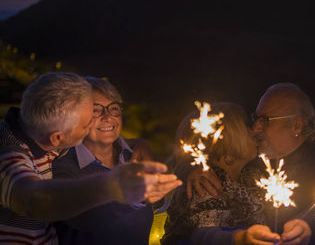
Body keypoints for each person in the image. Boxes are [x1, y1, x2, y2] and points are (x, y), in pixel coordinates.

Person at [0, 72, 182, 244]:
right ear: (57, 137)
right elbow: (34, 200)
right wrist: (112, 187)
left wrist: (138, 142)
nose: (105, 118)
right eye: (87, 124)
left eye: (114, 108)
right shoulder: (10, 155)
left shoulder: (39, 133)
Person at [182, 83, 315, 245]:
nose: (256, 128)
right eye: (257, 118)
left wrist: (307, 226)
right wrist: (195, 167)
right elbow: (211, 150)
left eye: (265, 120)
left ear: (296, 125)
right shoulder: (256, 161)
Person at [53, 76, 155, 244]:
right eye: (96, 110)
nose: (107, 116)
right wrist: (136, 197)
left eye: (113, 108)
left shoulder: (135, 157)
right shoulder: (63, 167)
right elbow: (85, 218)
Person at [162, 102, 268, 245]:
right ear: (227, 149)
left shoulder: (253, 178)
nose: (253, 131)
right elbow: (200, 237)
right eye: (245, 127)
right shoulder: (203, 186)